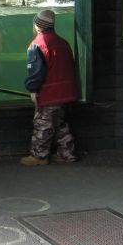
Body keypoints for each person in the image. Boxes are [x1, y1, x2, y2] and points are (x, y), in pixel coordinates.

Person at [20, 9, 79, 166]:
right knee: (60, 124)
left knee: (43, 124)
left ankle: (39, 157)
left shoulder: (37, 45)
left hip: (49, 93)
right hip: (67, 92)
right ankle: (67, 154)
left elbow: (36, 72)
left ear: (37, 25)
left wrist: (33, 90)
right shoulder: (63, 43)